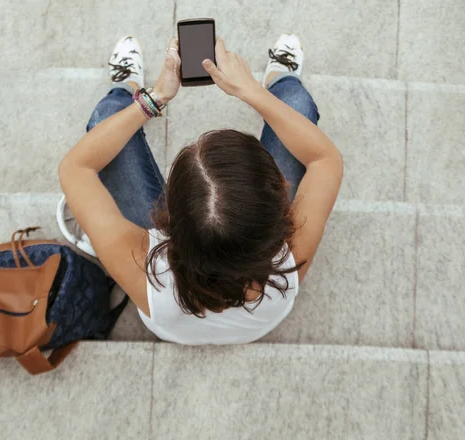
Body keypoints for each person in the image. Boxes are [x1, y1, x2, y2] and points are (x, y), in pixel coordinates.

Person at [58, 33, 343, 344]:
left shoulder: (141, 266)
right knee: (296, 104)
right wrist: (249, 90)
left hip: (170, 322)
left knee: (107, 117)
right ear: (279, 197)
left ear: (165, 216)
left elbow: (76, 167)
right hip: (258, 324)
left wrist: (157, 97)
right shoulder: (288, 260)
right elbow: (324, 158)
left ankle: (125, 91)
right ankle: (281, 79)